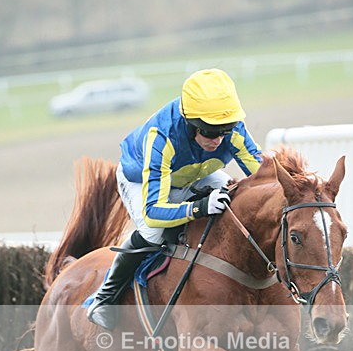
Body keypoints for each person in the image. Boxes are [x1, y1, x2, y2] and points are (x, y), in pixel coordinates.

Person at [87, 68, 262, 329]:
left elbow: (264, 175)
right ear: (190, 123)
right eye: (209, 131)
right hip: (140, 179)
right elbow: (154, 211)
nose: (218, 139)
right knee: (154, 231)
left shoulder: (231, 128)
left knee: (236, 202)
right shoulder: (162, 136)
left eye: (224, 131)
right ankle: (105, 297)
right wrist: (199, 207)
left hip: (194, 172)